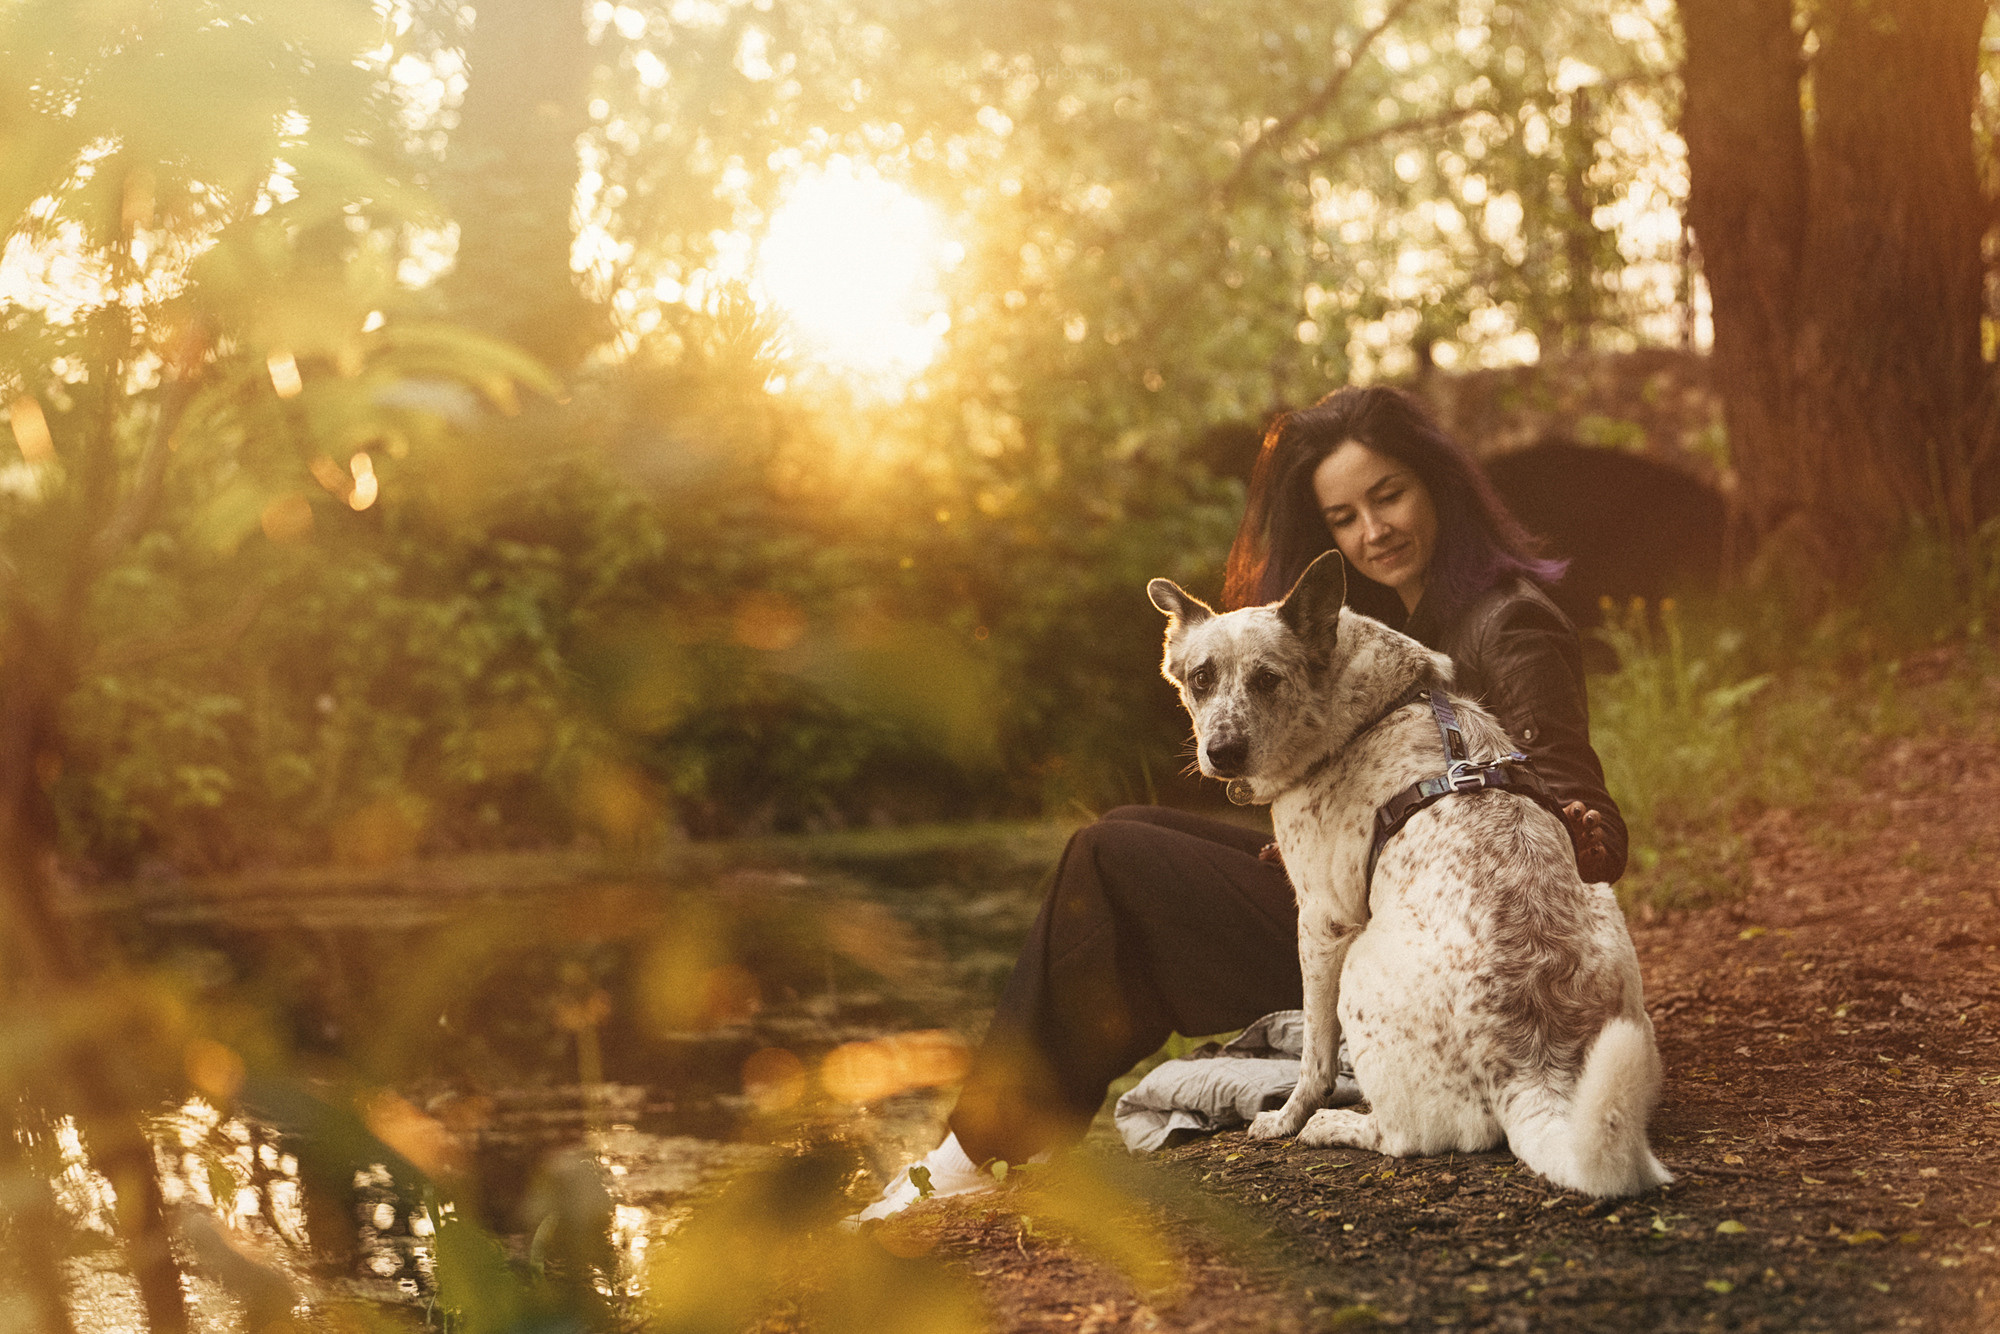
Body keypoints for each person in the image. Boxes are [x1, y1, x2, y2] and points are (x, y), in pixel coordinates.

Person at [851, 385, 1627, 1222]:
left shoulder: (1509, 623)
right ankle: (1013, 1136)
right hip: (1366, 895)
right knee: (1122, 830)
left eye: (1390, 494)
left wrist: (1572, 824)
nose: (1374, 530)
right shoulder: (1368, 615)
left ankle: (977, 1151)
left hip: (1419, 942)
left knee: (1112, 864)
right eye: (1342, 516)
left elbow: (1573, 801)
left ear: (1437, 483)